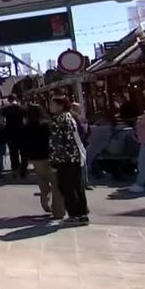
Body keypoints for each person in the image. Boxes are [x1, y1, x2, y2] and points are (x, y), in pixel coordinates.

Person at [49, 96, 90, 225]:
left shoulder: (59, 119)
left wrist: (53, 159)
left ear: (60, 106)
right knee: (77, 186)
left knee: (66, 187)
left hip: (65, 158)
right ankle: (82, 214)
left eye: (52, 104)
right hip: (76, 155)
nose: (50, 106)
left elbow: (57, 142)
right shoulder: (71, 116)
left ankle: (75, 215)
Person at [19, 105, 64, 219]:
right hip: (50, 156)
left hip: (35, 158)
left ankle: (44, 200)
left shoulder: (25, 128)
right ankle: (57, 210)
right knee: (56, 183)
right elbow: (55, 140)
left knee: (42, 179)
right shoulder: (48, 125)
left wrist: (23, 164)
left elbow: (23, 147)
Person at [2, 95, 26, 178]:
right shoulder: (22, 108)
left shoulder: (5, 109)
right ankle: (23, 170)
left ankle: (15, 170)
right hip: (21, 133)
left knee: (13, 153)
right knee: (23, 153)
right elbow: (25, 120)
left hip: (10, 134)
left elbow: (1, 120)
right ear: (16, 99)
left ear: (9, 100)